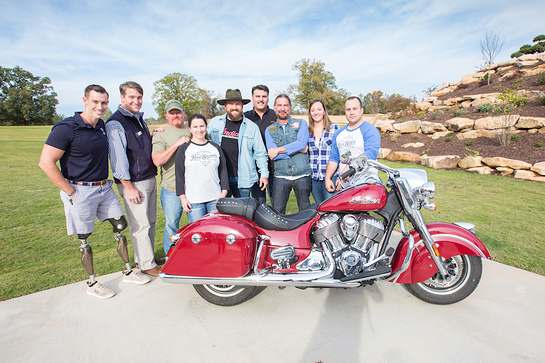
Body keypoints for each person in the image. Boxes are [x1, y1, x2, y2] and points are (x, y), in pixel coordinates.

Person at [39, 84, 150, 299]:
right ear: (85, 100)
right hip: (79, 190)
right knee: (85, 237)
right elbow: (45, 163)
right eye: (95, 102)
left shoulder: (102, 126)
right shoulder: (66, 128)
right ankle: (92, 283)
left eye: (104, 102)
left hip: (103, 186)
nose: (100, 106)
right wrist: (71, 193)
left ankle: (128, 271)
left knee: (120, 225)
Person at [105, 81, 163, 277]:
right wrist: (128, 187)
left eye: (139, 97)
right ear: (122, 98)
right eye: (131, 97)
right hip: (134, 183)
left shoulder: (137, 118)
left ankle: (147, 258)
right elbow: (118, 158)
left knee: (151, 222)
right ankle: (146, 265)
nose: (136, 101)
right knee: (140, 225)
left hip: (149, 178)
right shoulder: (116, 122)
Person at [208, 89, 269, 199]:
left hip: (243, 178)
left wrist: (264, 174)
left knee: (243, 212)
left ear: (242, 106)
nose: (234, 107)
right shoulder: (215, 123)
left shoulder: (251, 127)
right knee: (223, 213)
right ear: (225, 106)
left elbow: (260, 153)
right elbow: (200, 137)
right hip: (221, 178)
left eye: (237, 104)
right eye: (231, 104)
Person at [152, 100, 190, 255]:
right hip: (172, 189)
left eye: (178, 112)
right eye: (172, 113)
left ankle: (196, 258)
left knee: (196, 225)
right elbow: (157, 160)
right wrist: (177, 144)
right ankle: (170, 258)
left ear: (183, 113)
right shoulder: (161, 134)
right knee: (171, 226)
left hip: (194, 189)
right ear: (166, 115)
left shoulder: (193, 129)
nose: (176, 115)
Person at [175, 114, 229, 222]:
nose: (199, 130)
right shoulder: (184, 149)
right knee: (198, 235)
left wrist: (223, 193)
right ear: (190, 129)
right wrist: (182, 198)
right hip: (194, 201)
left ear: (206, 127)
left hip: (214, 199)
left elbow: (223, 171)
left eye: (202, 126)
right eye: (195, 127)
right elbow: (179, 175)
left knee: (216, 231)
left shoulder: (215, 148)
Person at [265, 94, 311, 214]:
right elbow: (273, 155)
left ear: (290, 107)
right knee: (278, 213)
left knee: (305, 212)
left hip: (302, 175)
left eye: (285, 105)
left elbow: (301, 144)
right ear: (274, 107)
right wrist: (298, 149)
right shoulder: (269, 130)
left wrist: (278, 150)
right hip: (281, 176)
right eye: (279, 105)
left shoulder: (301, 123)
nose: (282, 108)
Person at [325, 96, 381, 192]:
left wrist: (349, 167)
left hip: (366, 185)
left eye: (355, 109)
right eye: (348, 109)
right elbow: (334, 158)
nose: (351, 112)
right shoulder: (339, 133)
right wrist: (328, 178)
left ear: (361, 110)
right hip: (345, 187)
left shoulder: (370, 130)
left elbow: (370, 153)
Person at [244, 85, 277, 204]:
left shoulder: (275, 115)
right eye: (258, 96)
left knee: (277, 204)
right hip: (255, 169)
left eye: (264, 96)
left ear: (268, 98)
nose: (261, 99)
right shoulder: (246, 117)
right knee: (258, 204)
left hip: (275, 167)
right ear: (252, 98)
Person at [307, 99, 340, 204]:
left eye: (319, 109)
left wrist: (340, 176)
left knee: (331, 208)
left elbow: (342, 155)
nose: (316, 112)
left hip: (331, 177)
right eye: (313, 110)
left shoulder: (334, 129)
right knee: (320, 209)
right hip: (314, 178)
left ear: (324, 111)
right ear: (310, 113)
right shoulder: (307, 132)